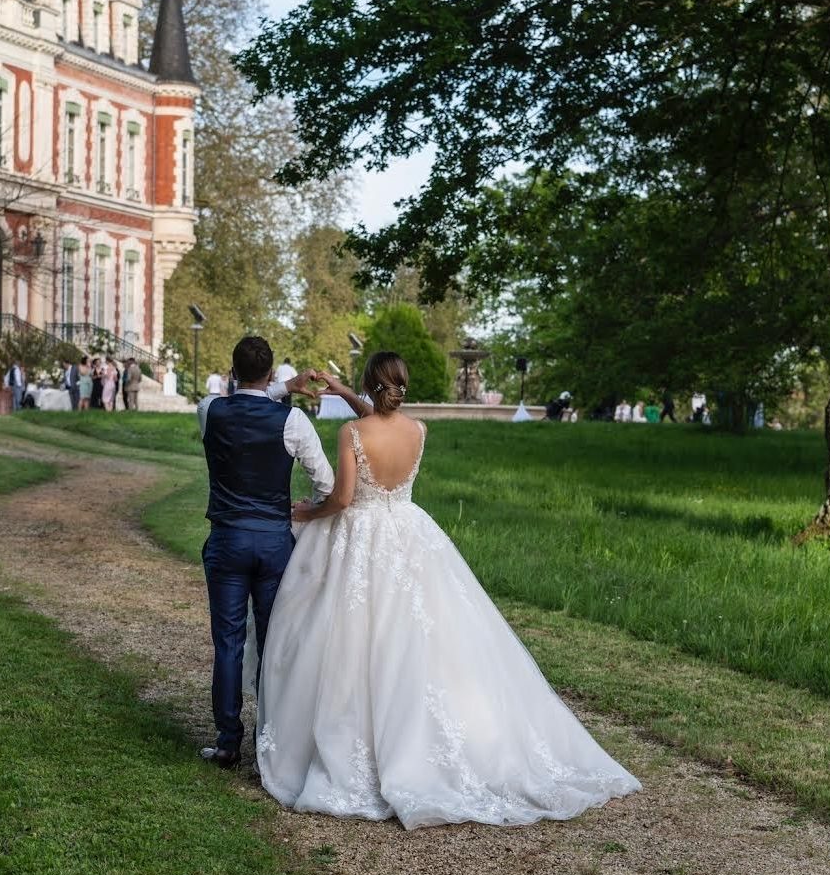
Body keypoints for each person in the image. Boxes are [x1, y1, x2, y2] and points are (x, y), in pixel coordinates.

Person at [256, 354, 639, 829]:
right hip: (409, 532)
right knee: (425, 637)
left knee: (354, 640)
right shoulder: (418, 431)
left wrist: (304, 513)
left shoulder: (351, 433)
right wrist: (349, 394)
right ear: (398, 388)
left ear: (370, 386)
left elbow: (342, 498)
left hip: (363, 535)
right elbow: (380, 424)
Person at [196, 338, 327, 771]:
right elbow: (325, 484)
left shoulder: (209, 410)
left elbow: (242, 396)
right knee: (274, 645)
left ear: (231, 372)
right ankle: (269, 742)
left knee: (229, 643)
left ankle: (228, 742)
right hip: (273, 543)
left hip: (228, 540)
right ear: (271, 374)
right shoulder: (292, 421)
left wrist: (278, 386)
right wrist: (302, 510)